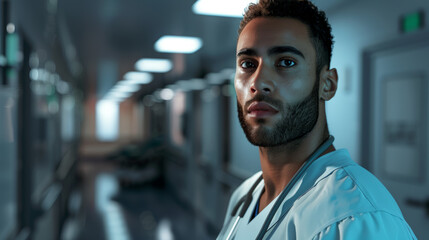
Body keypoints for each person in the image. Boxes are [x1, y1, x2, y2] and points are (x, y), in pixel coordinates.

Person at [216, 0, 417, 239]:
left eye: (286, 62)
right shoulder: (243, 197)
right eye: (248, 64)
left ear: (327, 84)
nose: (258, 83)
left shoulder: (356, 217)